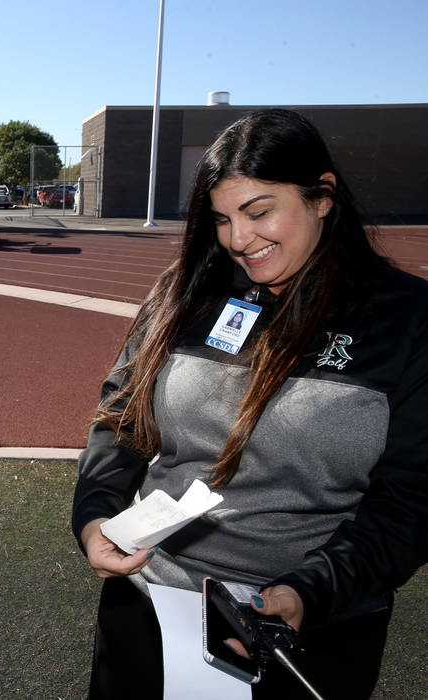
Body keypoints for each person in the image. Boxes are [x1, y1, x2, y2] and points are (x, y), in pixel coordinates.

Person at [71, 109, 428, 699]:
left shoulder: (406, 319)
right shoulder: (184, 291)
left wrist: (306, 593)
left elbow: (411, 501)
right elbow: (122, 417)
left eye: (259, 211)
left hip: (307, 628)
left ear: (322, 196)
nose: (239, 240)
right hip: (155, 604)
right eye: (222, 219)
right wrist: (93, 516)